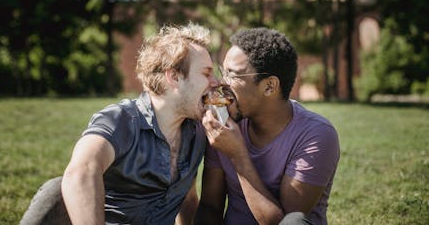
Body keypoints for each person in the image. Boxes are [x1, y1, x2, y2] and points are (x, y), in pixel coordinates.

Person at [20, 23, 218, 225]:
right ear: (174, 77)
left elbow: (188, 200)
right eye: (206, 73)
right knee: (55, 189)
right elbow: (83, 171)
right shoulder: (120, 119)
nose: (215, 82)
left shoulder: (197, 133)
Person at [195, 28, 340, 225]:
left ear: (270, 86)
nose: (222, 83)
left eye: (233, 75)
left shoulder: (316, 135)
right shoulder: (223, 126)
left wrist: (237, 155)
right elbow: (210, 206)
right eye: (223, 72)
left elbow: (284, 221)